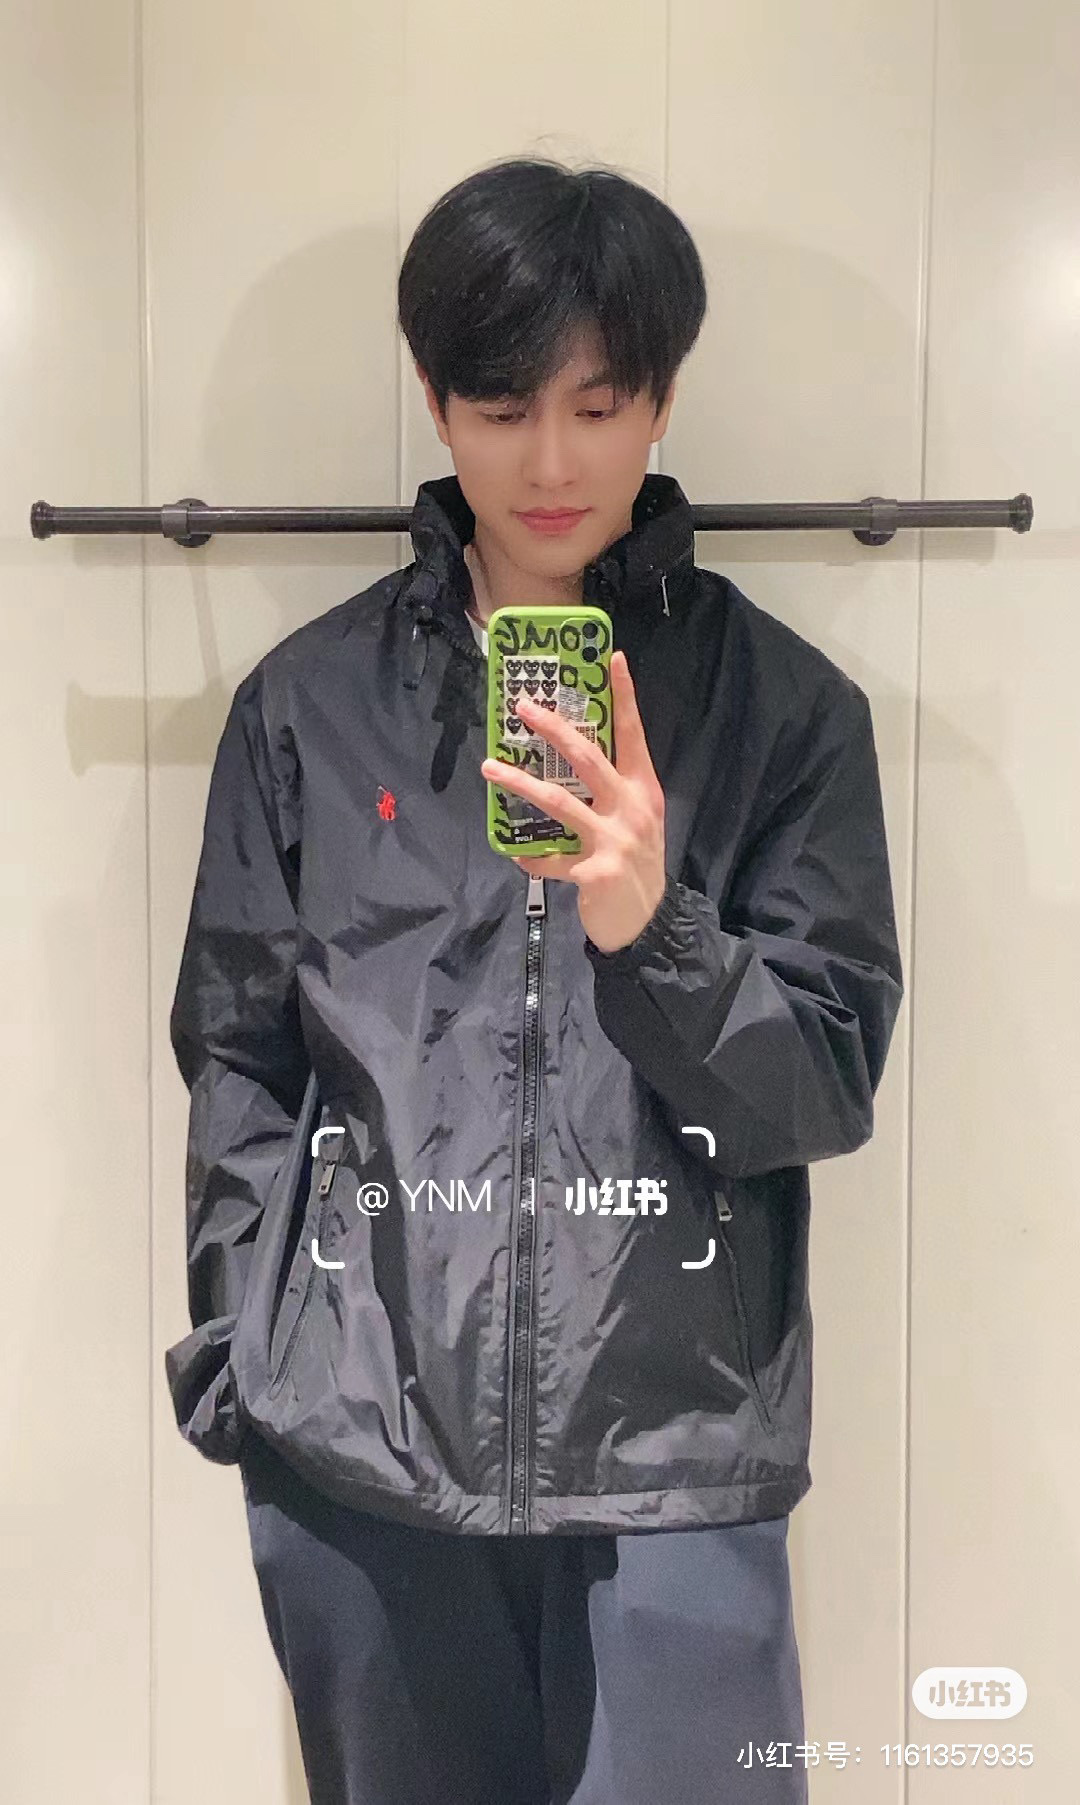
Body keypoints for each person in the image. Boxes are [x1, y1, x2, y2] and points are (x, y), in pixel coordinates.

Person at [165, 156, 904, 1803]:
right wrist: (253, 1364)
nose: (554, 462)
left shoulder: (787, 715)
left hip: (677, 1472)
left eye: (599, 404)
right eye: (504, 408)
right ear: (436, 402)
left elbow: (823, 1086)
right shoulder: (307, 710)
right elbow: (238, 1061)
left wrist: (657, 929)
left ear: (663, 401)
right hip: (363, 1464)